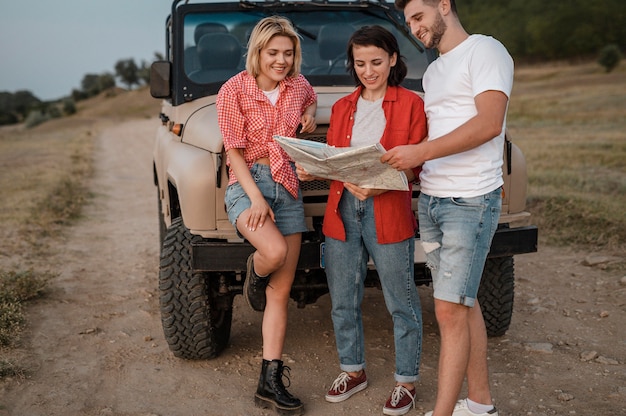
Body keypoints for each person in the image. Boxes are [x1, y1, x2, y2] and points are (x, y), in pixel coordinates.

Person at [382, 1, 514, 415]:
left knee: (448, 309)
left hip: (470, 200)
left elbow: (489, 123)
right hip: (434, 200)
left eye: (419, 17)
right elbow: (439, 129)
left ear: (444, 5)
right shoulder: (436, 70)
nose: (415, 28)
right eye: (409, 23)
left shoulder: (486, 51)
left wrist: (419, 151)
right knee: (463, 301)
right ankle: (480, 405)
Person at [297, 25, 427, 416]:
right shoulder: (342, 107)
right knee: (343, 299)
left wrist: (379, 187)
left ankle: (406, 381)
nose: (368, 70)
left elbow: (418, 166)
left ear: (392, 60)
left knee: (400, 301)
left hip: (387, 211)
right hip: (341, 213)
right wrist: (312, 170)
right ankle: (353, 370)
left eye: (375, 62)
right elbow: (338, 162)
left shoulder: (411, 105)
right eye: (360, 63)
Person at [216, 16, 317, 416]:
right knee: (272, 254)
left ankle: (269, 379)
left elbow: (309, 95)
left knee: (282, 292)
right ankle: (253, 276)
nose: (281, 61)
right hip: (248, 182)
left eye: (288, 53)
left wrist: (309, 112)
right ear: (257, 52)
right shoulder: (233, 90)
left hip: (288, 185)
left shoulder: (297, 85)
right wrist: (255, 198)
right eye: (273, 53)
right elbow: (234, 153)